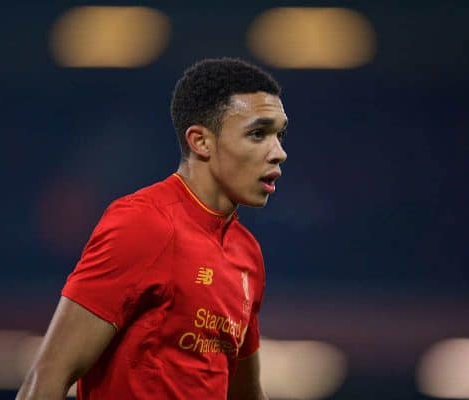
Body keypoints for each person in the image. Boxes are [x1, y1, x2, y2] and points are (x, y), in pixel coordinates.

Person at [16, 58, 288, 400]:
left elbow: (244, 394)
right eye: (258, 134)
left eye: (279, 134)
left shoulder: (247, 252)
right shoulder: (143, 224)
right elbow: (46, 379)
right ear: (201, 141)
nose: (279, 152)